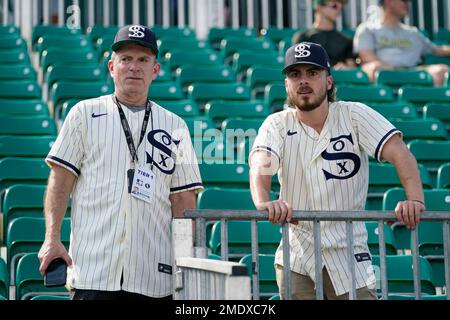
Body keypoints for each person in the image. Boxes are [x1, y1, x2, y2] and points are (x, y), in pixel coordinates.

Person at [249, 42, 426, 300]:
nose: (304, 81)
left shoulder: (354, 114)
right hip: (297, 252)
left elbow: (399, 152)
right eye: (295, 75)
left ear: (329, 81)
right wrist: (264, 201)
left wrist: (415, 199)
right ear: (287, 85)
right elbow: (260, 162)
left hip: (349, 251)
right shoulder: (277, 123)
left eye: (313, 72)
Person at [37, 24, 203, 300]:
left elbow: (184, 200)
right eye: (126, 59)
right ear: (112, 67)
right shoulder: (84, 114)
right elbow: (60, 181)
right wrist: (52, 238)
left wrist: (184, 263)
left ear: (155, 70)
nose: (134, 67)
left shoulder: (176, 126)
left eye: (143, 60)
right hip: (93, 270)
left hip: (153, 275)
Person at [353, 0, 450, 86]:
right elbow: (366, 56)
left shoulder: (413, 33)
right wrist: (391, 70)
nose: (408, 4)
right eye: (404, 0)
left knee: (441, 71)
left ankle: (430, 104)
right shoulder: (367, 29)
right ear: (389, 2)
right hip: (382, 71)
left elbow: (438, 50)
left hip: (412, 71)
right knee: (373, 68)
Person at [292, 0, 356, 70]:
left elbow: (351, 67)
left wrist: (345, 68)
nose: (339, 9)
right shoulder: (303, 37)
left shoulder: (346, 40)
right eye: (335, 6)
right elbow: (298, 67)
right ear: (319, 7)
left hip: (337, 80)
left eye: (341, 6)